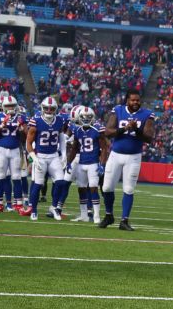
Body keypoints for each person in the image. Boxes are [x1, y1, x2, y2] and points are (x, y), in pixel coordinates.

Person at [99, 91, 156, 230]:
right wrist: (125, 128)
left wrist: (136, 130)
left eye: (138, 100)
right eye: (133, 100)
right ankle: (109, 215)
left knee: (129, 189)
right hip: (116, 154)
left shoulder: (147, 114)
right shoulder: (118, 110)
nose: (136, 102)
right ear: (127, 101)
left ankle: (124, 220)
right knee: (106, 187)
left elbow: (149, 137)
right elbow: (107, 132)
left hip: (134, 156)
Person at [25, 96, 71, 221]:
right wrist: (34, 158)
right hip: (40, 156)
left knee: (60, 182)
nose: (49, 111)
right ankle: (34, 210)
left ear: (55, 109)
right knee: (38, 183)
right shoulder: (36, 121)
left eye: (52, 109)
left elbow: (61, 138)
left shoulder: (59, 120)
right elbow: (28, 142)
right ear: (42, 108)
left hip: (54, 155)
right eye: (47, 108)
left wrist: (63, 155)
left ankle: (54, 207)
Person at [66, 106, 107, 223]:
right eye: (84, 117)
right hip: (81, 164)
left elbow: (104, 148)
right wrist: (69, 162)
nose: (86, 119)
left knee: (93, 188)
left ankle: (96, 216)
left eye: (88, 117)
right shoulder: (77, 130)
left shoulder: (97, 129)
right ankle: (84, 215)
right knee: (81, 189)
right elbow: (74, 148)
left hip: (93, 163)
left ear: (92, 117)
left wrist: (102, 164)